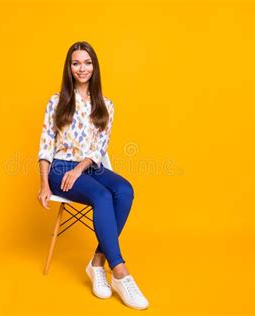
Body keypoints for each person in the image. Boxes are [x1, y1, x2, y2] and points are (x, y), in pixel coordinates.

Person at [36, 41, 149, 310]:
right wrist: (43, 184)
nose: (82, 68)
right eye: (76, 63)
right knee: (101, 195)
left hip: (87, 166)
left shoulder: (106, 106)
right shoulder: (57, 101)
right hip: (60, 168)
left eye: (87, 63)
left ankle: (97, 262)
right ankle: (120, 272)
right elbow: (45, 145)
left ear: (94, 67)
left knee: (124, 190)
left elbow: (99, 148)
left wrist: (80, 167)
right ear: (69, 67)